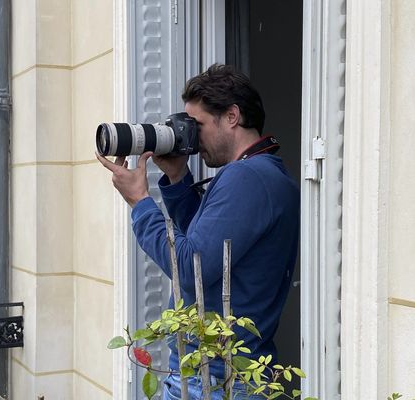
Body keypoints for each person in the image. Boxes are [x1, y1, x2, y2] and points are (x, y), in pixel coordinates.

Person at [96, 64, 299, 399]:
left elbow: (190, 269)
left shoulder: (247, 178)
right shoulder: (263, 174)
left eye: (199, 125)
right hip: (229, 372)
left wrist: (140, 202)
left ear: (232, 116)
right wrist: (177, 179)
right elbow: (207, 248)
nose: (192, 138)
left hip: (215, 380)